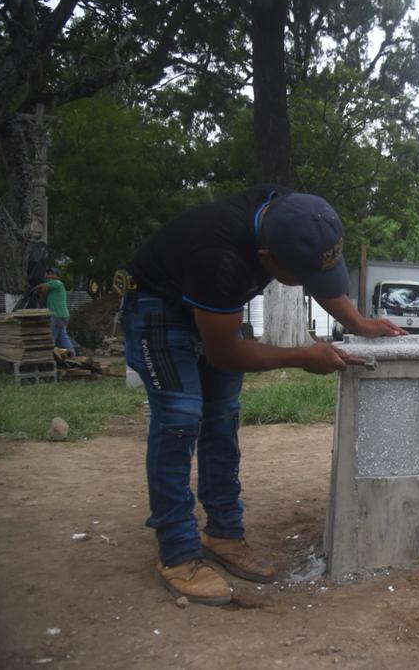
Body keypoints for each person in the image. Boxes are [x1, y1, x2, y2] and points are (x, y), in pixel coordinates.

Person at [121, 185, 404, 606]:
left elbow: (319, 277)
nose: (314, 282)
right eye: (304, 276)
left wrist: (360, 323)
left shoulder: (295, 218)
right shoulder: (220, 256)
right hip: (160, 312)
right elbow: (225, 352)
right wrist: (301, 357)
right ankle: (178, 554)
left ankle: (223, 534)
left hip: (214, 305)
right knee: (180, 420)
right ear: (269, 260)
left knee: (221, 419)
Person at [37, 267, 76, 352]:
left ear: (57, 276)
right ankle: (71, 354)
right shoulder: (53, 285)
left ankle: (48, 356)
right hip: (63, 315)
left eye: (52, 274)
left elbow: (41, 287)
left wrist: (35, 287)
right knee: (62, 336)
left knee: (51, 338)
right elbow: (44, 292)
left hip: (56, 315)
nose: (49, 275)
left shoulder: (57, 283)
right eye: (48, 273)